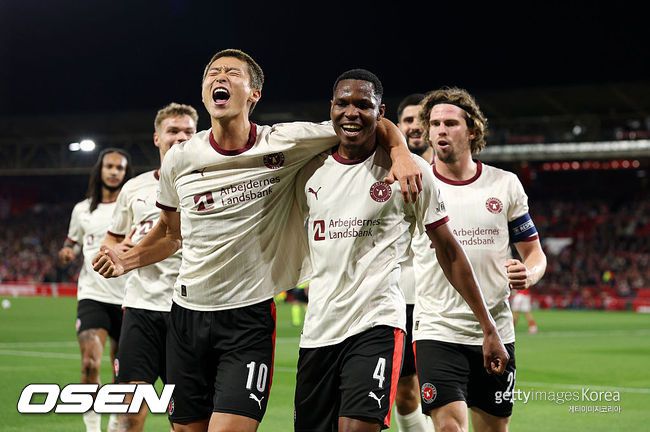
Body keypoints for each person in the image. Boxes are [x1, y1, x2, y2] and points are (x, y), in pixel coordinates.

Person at [92, 49, 422, 432]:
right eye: (213, 72)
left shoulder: (285, 142)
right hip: (185, 315)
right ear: (204, 92)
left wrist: (400, 151)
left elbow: (364, 120)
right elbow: (169, 232)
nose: (221, 77)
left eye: (233, 73)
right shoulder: (180, 159)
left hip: (247, 319)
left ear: (254, 94)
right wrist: (127, 259)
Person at [293, 69, 509, 432]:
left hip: (376, 323)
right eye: (343, 103)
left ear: (380, 112)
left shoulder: (411, 173)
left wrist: (488, 327)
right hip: (318, 330)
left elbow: (450, 252)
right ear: (330, 107)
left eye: (363, 105)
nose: (351, 112)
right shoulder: (309, 167)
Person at [413, 87, 547, 432]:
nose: (441, 130)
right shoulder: (416, 186)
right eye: (434, 124)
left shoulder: (505, 185)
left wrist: (529, 273)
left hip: (497, 329)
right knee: (449, 427)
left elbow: (534, 252)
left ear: (472, 130)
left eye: (451, 123)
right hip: (438, 329)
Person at [101, 103, 198, 431]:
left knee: (185, 421)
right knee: (130, 413)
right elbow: (111, 241)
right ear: (157, 137)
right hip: (141, 309)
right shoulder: (134, 188)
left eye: (188, 131)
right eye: (173, 131)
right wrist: (117, 251)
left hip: (189, 312)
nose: (180, 137)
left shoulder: (210, 183)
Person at [58, 148, 132, 432]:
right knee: (90, 363)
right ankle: (92, 429)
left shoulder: (132, 205)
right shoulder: (82, 210)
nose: (114, 172)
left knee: (121, 371)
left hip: (128, 298)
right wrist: (68, 251)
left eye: (119, 168)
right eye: (109, 166)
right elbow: (73, 242)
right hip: (92, 295)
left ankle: (113, 424)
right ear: (100, 170)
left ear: (126, 173)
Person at [394, 93, 433, 432]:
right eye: (408, 120)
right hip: (402, 296)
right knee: (405, 392)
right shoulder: (386, 173)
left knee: (446, 389)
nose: (415, 126)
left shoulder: (452, 174)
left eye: (423, 119)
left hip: (443, 298)